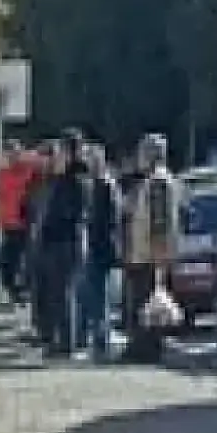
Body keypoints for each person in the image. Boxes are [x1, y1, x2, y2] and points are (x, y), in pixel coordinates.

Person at [121, 133, 181, 363]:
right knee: (143, 303)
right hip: (145, 253)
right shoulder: (152, 181)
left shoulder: (158, 182)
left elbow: (159, 223)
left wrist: (159, 260)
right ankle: (142, 347)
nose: (139, 158)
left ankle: (146, 350)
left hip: (149, 255)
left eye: (142, 153)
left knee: (147, 303)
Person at [32, 129, 90, 358]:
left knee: (63, 294)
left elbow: (73, 213)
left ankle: (67, 343)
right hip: (53, 242)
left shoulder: (77, 179)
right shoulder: (55, 178)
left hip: (67, 242)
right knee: (53, 294)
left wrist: (52, 224)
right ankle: (55, 339)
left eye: (62, 150)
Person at [78, 142, 121, 361]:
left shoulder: (105, 185)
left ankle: (101, 342)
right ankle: (97, 340)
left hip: (101, 248)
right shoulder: (94, 184)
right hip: (95, 247)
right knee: (93, 296)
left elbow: (109, 220)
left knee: (100, 297)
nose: (88, 163)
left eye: (92, 159)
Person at [0, 139, 35, 303]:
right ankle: (12, 291)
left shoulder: (28, 170)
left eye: (15, 152)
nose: (12, 156)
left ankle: (21, 293)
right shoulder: (1, 173)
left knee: (21, 261)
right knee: (5, 262)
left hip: (24, 224)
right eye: (9, 152)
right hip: (7, 225)